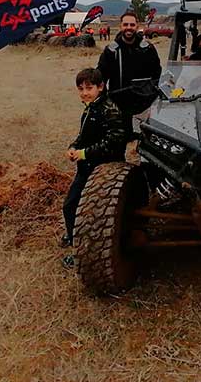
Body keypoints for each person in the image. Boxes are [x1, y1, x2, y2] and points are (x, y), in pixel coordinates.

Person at [61, 68, 127, 267]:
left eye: (89, 88)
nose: (84, 93)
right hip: (87, 167)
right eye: (80, 89)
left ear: (101, 87)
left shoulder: (109, 109)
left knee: (80, 209)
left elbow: (115, 141)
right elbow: (84, 135)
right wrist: (74, 146)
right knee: (73, 206)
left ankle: (80, 252)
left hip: (104, 172)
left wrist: (84, 153)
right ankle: (74, 237)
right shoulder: (90, 107)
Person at [97, 12, 162, 133]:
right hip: (120, 105)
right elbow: (101, 76)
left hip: (144, 104)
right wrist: (104, 100)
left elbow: (157, 74)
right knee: (120, 139)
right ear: (120, 26)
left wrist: (151, 94)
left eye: (132, 24)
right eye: (125, 24)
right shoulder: (111, 51)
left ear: (137, 26)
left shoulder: (148, 49)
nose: (129, 27)